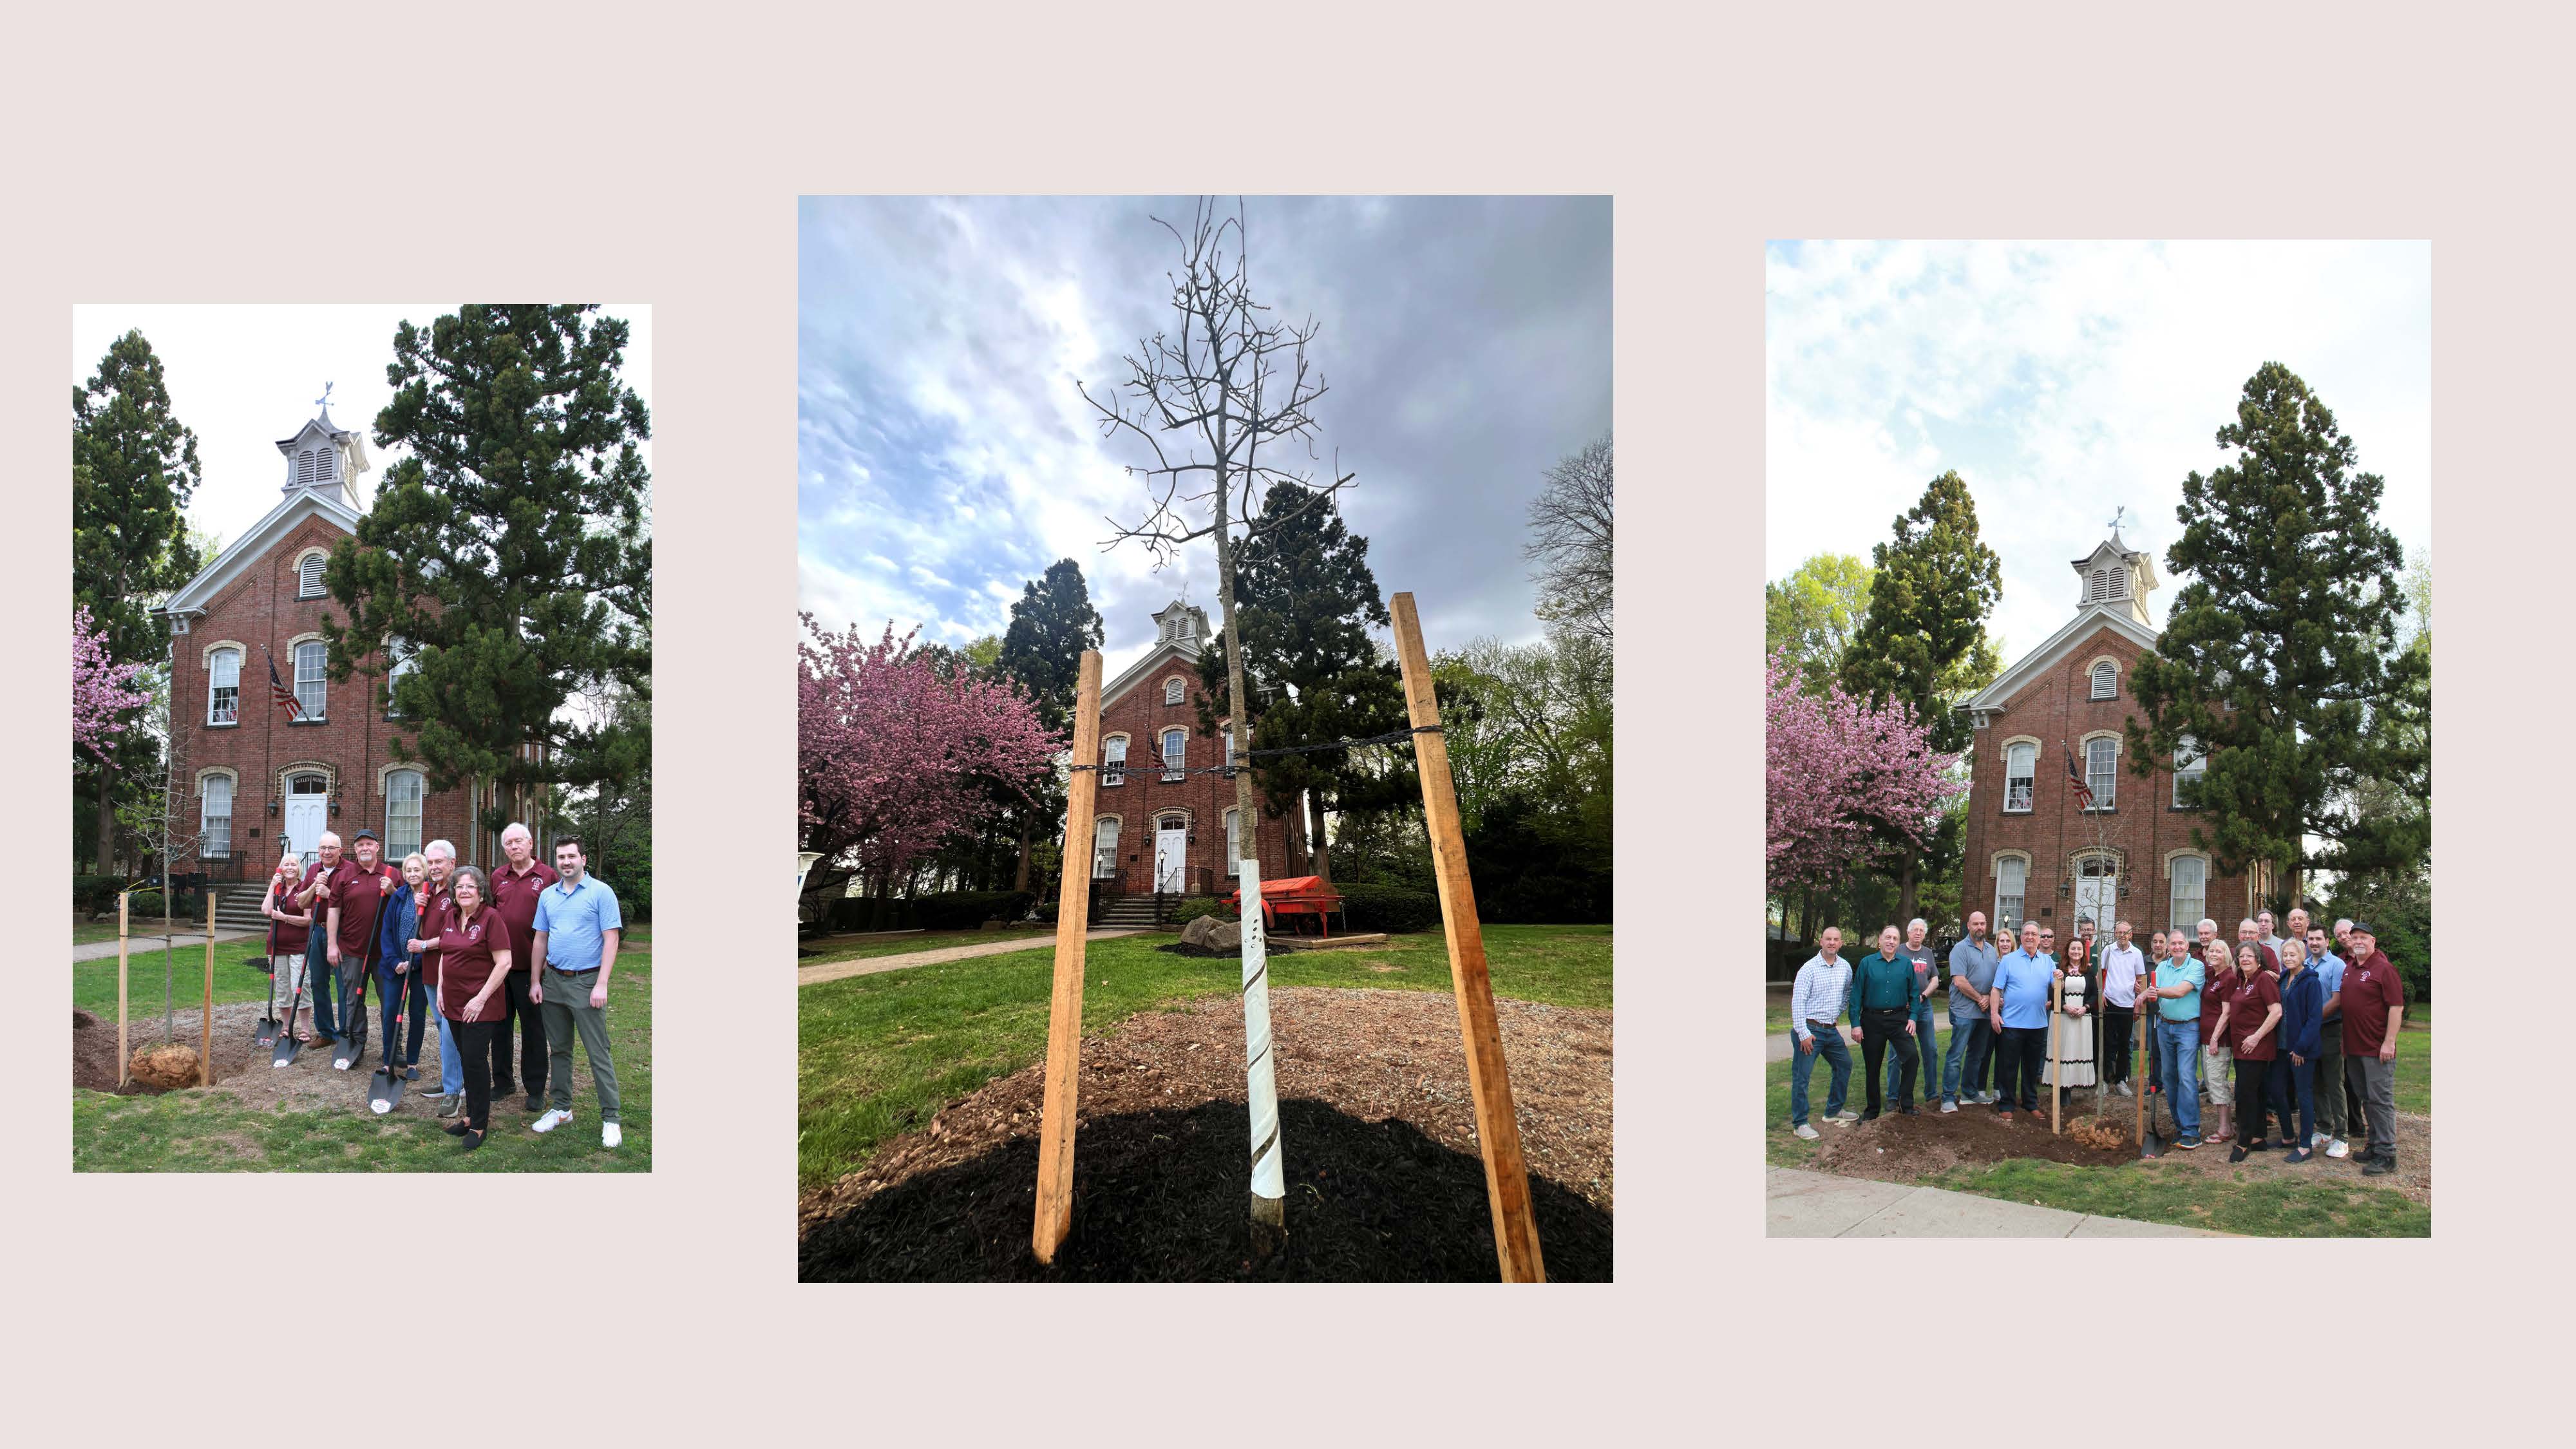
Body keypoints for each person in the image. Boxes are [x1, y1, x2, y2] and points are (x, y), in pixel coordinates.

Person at [528, 836, 627, 1148]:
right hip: (554, 982)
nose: (566, 862)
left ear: (583, 859)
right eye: (561, 857)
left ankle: (611, 1118)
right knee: (559, 1050)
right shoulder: (548, 896)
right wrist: (535, 981)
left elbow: (611, 939)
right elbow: (540, 939)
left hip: (587, 983)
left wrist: (602, 983)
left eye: (572, 856)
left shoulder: (601, 892)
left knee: (598, 1053)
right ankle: (561, 1109)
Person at [430, 865, 515, 1151]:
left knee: (476, 1060)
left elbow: (504, 962)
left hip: (480, 1005)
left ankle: (479, 1124)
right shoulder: (451, 916)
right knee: (466, 1058)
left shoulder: (491, 918)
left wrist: (480, 999)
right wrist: (440, 988)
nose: (464, 891)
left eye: (470, 887)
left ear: (481, 892)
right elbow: (445, 953)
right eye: (459, 887)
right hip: (453, 1002)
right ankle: (469, 1116)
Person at [486, 823, 559, 1113]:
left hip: (532, 969)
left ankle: (535, 1088)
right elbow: (490, 916)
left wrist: (545, 963)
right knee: (499, 1028)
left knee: (533, 1031)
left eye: (519, 841)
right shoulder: (497, 877)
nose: (514, 847)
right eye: (509, 843)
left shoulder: (548, 876)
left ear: (531, 843)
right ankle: (503, 1082)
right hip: (500, 968)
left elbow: (556, 920)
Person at [323, 828, 400, 1063]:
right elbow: (333, 911)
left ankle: (393, 1048)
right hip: (353, 950)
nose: (365, 848)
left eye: (369, 844)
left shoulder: (392, 874)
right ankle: (356, 1045)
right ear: (354, 849)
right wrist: (332, 945)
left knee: (390, 1001)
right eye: (360, 845)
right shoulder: (345, 876)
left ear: (377, 847)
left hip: (386, 953)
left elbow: (407, 907)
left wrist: (393, 892)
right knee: (354, 1000)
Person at [2338, 922, 2407, 1177]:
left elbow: (2396, 1007)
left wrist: (2389, 1042)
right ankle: (2375, 1144)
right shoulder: (2350, 968)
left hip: (2377, 1048)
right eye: (2354, 937)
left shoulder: (2384, 969)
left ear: (2373, 941)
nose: (2358, 941)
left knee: (2381, 1100)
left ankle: (2388, 1154)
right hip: (2355, 1047)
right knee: (2366, 1098)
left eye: (2363, 938)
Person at [1786, 927, 1857, 1139]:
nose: (1832, 943)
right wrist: (1803, 1034)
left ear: (1841, 943)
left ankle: (1833, 1110)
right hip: (1810, 1030)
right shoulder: (1809, 969)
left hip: (1830, 1030)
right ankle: (1800, 1123)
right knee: (1802, 1077)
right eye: (1828, 939)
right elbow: (1798, 1002)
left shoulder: (1845, 967)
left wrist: (1837, 1012)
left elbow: (1847, 993)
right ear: (1821, 942)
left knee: (1844, 1064)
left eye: (1836, 939)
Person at [2219, 942, 2286, 1162]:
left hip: (2257, 1047)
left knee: (2245, 1094)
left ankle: (2244, 1141)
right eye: (2241, 956)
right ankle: (2258, 1137)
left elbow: (2276, 1012)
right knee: (2255, 1093)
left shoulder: (2264, 979)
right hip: (2241, 1046)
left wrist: (2256, 1037)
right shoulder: (2241, 981)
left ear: (2258, 959)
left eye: (2249, 956)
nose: (2245, 959)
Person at [1846, 926, 1921, 1119]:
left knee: (1912, 1058)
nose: (1891, 941)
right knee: (1873, 1067)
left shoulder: (1906, 964)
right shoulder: (1867, 963)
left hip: (1899, 1020)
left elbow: (1914, 994)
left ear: (1899, 942)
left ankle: (1905, 1104)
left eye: (1895, 938)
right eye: (1888, 937)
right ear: (1880, 940)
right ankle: (1872, 1111)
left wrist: (1913, 1017)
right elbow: (1856, 995)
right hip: (1872, 1020)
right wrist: (1855, 1024)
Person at [413, 840, 465, 1116]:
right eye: (430, 863)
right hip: (431, 970)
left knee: (450, 1029)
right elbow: (423, 932)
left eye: (438, 862)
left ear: (452, 863)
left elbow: (454, 936)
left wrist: (423, 946)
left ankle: (454, 1090)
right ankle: (451, 1081)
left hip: (452, 972)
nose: (433, 867)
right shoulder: (430, 891)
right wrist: (418, 908)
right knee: (442, 1026)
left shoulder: (458, 891)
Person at [2141, 929, 2206, 1148]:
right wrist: (2144, 995)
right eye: (2173, 944)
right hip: (2164, 1026)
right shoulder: (2161, 967)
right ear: (2168, 947)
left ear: (2187, 946)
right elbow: (2152, 992)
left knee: (2186, 1076)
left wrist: (2153, 992)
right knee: (2169, 1078)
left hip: (2188, 1028)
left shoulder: (2196, 966)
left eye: (2181, 943)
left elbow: (2180, 991)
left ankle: (2192, 1132)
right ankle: (2180, 1127)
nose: (2177, 947)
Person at [1989, 922, 2057, 1121]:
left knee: (2031, 1067)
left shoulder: (2048, 962)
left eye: (2034, 934)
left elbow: (2057, 986)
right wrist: (1994, 1014)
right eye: (2027, 934)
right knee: (2008, 1066)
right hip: (2012, 1024)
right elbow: (1996, 989)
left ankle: (2030, 1103)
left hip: (2037, 1024)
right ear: (2021, 937)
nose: (2030, 937)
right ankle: (2007, 1104)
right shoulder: (2008, 961)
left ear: (2039, 938)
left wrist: (2060, 978)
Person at [375, 852, 431, 1087]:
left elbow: (431, 935)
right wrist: (395, 962)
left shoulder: (430, 898)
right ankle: (388, 1061)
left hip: (419, 968)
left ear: (424, 872)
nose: (413, 874)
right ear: (404, 874)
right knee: (390, 1011)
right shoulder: (398, 896)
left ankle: (412, 1063)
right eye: (409, 870)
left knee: (417, 1014)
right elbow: (387, 931)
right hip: (395, 967)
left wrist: (414, 963)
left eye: (417, 869)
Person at [1943, 911, 2001, 1111]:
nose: (1980, 927)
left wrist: (1988, 998)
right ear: (1968, 926)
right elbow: (1959, 981)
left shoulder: (1991, 951)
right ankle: (1948, 1097)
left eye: (1983, 923)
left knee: (1977, 1055)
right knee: (1956, 1055)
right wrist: (1980, 998)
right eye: (1976, 924)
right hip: (1964, 1012)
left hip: (1983, 1013)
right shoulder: (1960, 949)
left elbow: (1996, 981)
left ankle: (1969, 1092)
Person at [2275, 937, 2324, 1164]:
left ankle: (2305, 1145)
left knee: (2303, 1095)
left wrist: (2301, 1048)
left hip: (2301, 1049)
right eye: (2285, 955)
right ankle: (2288, 1136)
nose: (2288, 958)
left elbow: (2314, 1018)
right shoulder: (2284, 978)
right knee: (2277, 1090)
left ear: (2302, 956)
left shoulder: (2310, 981)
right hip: (2281, 1046)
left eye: (2293, 954)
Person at [1882, 918, 1941, 1107]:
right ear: (1908, 933)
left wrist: (1923, 996)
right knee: (1896, 1053)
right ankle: (1893, 1096)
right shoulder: (1898, 951)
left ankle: (1931, 1094)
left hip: (1924, 1007)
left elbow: (1935, 979)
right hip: (1902, 1009)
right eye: (1915, 930)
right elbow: (1888, 976)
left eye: (1921, 931)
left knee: (1930, 1050)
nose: (1918, 933)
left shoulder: (1928, 953)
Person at [294, 832, 346, 1044]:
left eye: (331, 848)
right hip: (317, 930)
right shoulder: (314, 870)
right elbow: (301, 903)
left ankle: (345, 1034)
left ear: (340, 851)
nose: (326, 852)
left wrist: (328, 893)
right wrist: (314, 886)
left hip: (342, 933)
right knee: (318, 982)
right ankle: (326, 1032)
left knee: (344, 984)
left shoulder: (349, 870)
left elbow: (354, 904)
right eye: (323, 848)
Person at [2306, 923, 2351, 1157]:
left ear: (2327, 941)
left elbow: (2337, 1000)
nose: (2314, 943)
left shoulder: (2336, 965)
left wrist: (2311, 1021)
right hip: (2309, 1032)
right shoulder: (2304, 965)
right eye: (2311, 939)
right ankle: (2324, 1128)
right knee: (2316, 1082)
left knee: (2334, 1083)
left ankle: (2342, 1136)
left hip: (2330, 1029)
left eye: (2318, 939)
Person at [262, 849, 315, 1043]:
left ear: (299, 869)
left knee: (301, 986)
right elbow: (266, 910)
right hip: (276, 947)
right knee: (283, 988)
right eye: (286, 864)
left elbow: (309, 920)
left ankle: (305, 1029)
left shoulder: (304, 889)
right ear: (281, 869)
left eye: (294, 864)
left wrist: (284, 918)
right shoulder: (278, 889)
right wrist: (272, 885)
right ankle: (286, 1026)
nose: (290, 867)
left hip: (299, 947)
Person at [2198, 934, 2240, 1142]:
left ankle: (2225, 1129)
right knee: (2212, 1081)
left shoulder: (2228, 978)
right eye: (2212, 951)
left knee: (2217, 1081)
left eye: (2219, 951)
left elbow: (2227, 1012)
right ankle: (2227, 1126)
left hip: (2219, 1040)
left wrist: (2215, 1038)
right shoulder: (2212, 976)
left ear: (2227, 955)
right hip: (2207, 1037)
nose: (2214, 954)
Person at [2042, 928, 2096, 1091]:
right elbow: (2052, 992)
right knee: (2063, 1050)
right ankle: (2062, 1088)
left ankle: (2076, 1084)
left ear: (2083, 952)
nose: (2076, 952)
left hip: (2082, 1018)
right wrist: (2065, 1006)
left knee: (2078, 1050)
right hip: (2063, 1016)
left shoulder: (2089, 971)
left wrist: (2085, 1008)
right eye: (2073, 948)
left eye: (2079, 949)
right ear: (2067, 951)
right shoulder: (2060, 969)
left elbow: (2094, 994)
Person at [2098, 919, 2146, 1097]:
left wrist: (2138, 997)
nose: (2122, 935)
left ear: (2130, 934)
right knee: (2107, 1043)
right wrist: (2101, 993)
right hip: (2109, 1002)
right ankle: (2104, 1080)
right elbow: (2100, 974)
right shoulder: (2108, 950)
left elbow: (2140, 978)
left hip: (2127, 1004)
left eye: (2125, 932)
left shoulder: (2137, 953)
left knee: (2125, 1045)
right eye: (2119, 932)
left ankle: (2120, 1081)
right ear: (2115, 934)